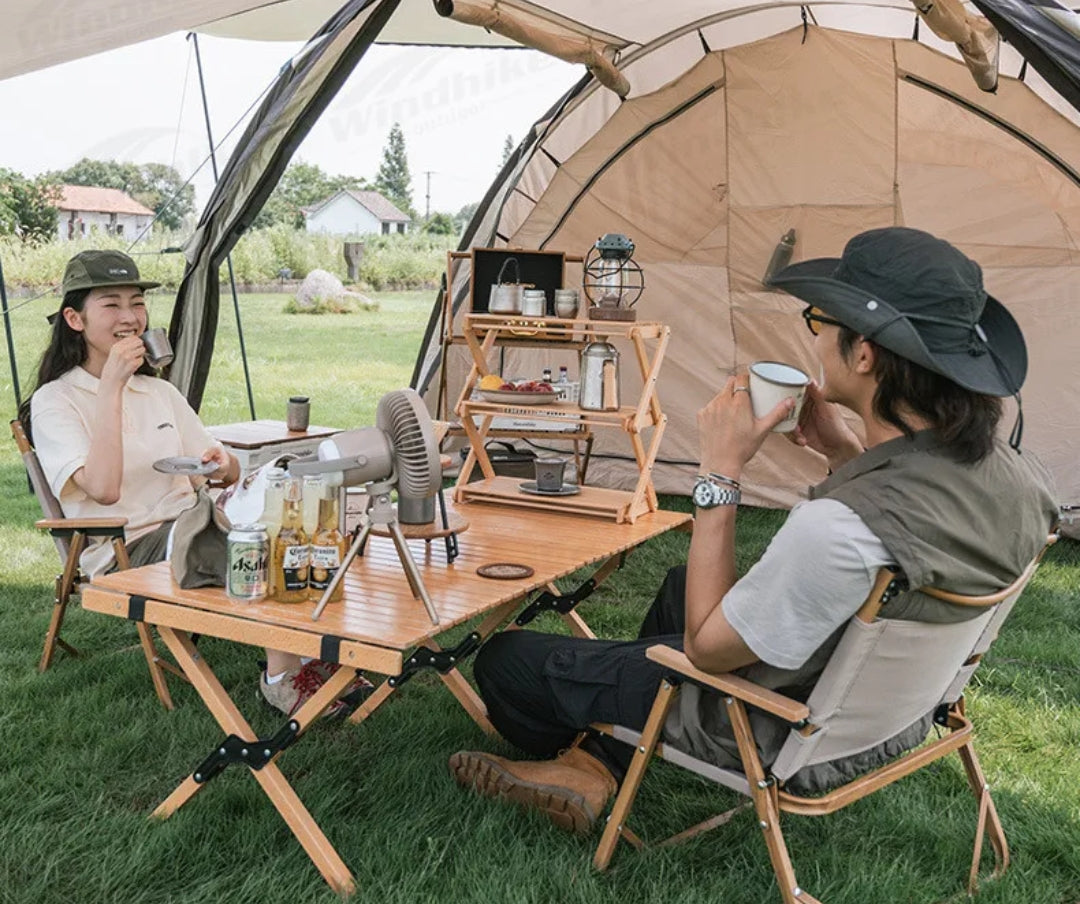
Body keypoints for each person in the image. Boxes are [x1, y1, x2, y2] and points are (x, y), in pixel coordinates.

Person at [448, 226, 1059, 833]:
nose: (815, 339)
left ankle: (594, 758)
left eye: (821, 322)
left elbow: (708, 650)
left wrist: (721, 471)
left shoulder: (838, 530)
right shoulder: (1021, 480)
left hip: (767, 721)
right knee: (683, 583)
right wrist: (847, 455)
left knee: (509, 661)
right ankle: (595, 763)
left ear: (865, 354)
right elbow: (903, 529)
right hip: (890, 711)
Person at [21, 249, 360, 716]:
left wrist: (222, 465)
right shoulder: (56, 399)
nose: (130, 317)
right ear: (74, 318)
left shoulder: (159, 391)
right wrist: (110, 390)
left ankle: (316, 657)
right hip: (127, 547)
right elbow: (102, 489)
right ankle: (284, 677)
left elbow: (227, 472)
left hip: (196, 522)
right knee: (254, 543)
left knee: (302, 516)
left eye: (137, 303)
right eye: (112, 304)